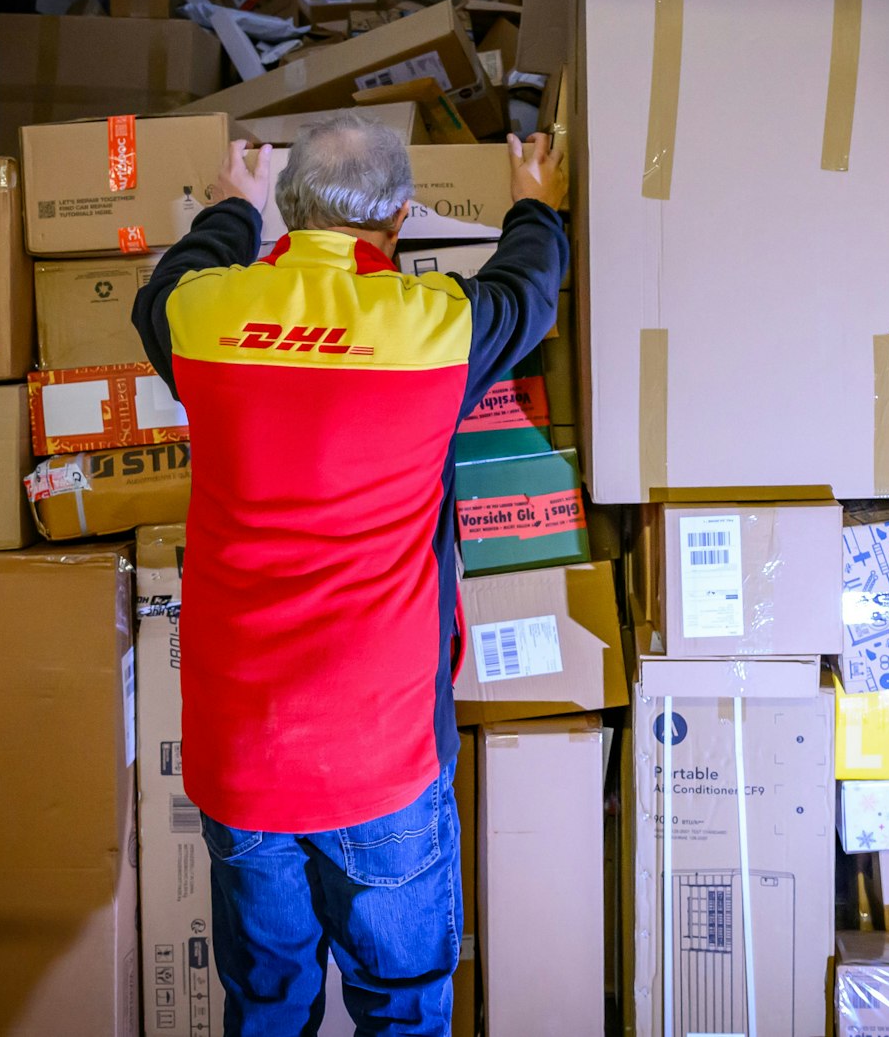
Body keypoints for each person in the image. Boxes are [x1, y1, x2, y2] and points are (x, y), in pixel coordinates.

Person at [131, 112, 568, 1037]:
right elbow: (528, 290)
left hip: (241, 761)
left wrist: (231, 211)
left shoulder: (203, 316)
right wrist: (536, 202)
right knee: (400, 1008)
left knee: (266, 1006)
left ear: (287, 213)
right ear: (400, 219)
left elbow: (164, 287)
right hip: (383, 764)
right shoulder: (434, 328)